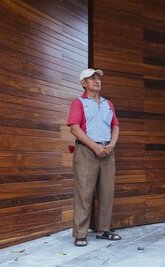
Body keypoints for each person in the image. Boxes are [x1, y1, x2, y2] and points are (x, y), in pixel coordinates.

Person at [67, 68, 121, 247]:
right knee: (84, 193)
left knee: (107, 192)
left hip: (107, 150)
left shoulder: (108, 103)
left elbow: (115, 126)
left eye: (98, 78)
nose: (97, 81)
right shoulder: (78, 102)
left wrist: (112, 143)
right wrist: (95, 146)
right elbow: (74, 128)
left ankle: (103, 230)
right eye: (92, 79)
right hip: (86, 151)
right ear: (83, 83)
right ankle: (80, 233)